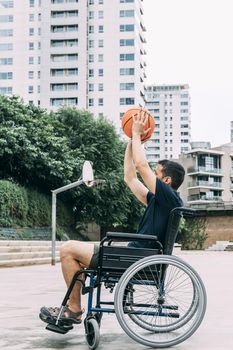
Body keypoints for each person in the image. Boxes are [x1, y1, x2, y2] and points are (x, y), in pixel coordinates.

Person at [39, 110, 185, 325]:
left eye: (157, 173)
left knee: (67, 249)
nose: (152, 175)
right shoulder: (160, 200)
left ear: (167, 179)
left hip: (135, 258)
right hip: (136, 255)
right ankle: (73, 307)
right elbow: (130, 177)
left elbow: (141, 166)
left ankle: (74, 309)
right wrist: (130, 141)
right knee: (74, 255)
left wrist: (137, 134)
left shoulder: (169, 198)